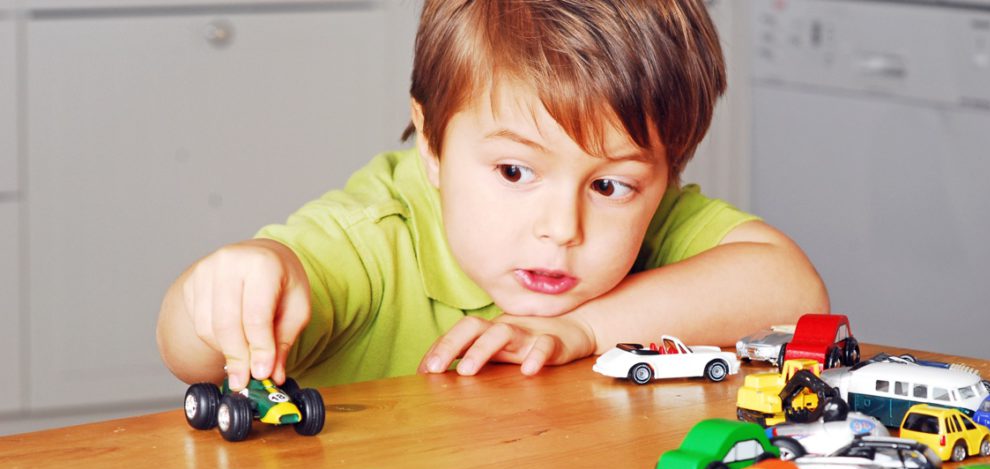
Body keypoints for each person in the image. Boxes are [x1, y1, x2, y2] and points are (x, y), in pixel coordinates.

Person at [157, 0, 828, 392]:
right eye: (514, 173)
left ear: (667, 178)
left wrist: (582, 330)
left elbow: (793, 292)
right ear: (432, 144)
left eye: (610, 185)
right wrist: (232, 287)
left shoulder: (653, 227)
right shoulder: (377, 236)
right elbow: (193, 354)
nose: (562, 227)